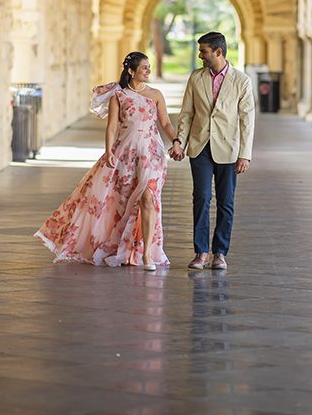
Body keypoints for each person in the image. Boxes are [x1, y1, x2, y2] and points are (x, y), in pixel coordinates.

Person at [34, 52, 177, 271]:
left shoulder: (156, 95)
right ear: (131, 71)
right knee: (121, 202)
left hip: (151, 154)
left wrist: (175, 141)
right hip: (125, 154)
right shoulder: (118, 96)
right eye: (144, 68)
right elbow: (111, 127)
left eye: (149, 67)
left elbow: (165, 122)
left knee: (148, 199)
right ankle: (120, 247)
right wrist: (109, 151)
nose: (148, 71)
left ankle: (147, 254)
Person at [170, 32, 255, 271]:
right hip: (200, 148)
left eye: (204, 51)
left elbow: (247, 120)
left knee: (226, 202)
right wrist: (180, 142)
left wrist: (245, 154)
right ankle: (201, 252)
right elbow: (187, 114)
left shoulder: (242, 81)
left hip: (229, 149)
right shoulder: (196, 78)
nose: (200, 55)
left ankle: (220, 253)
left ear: (218, 52)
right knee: (202, 198)